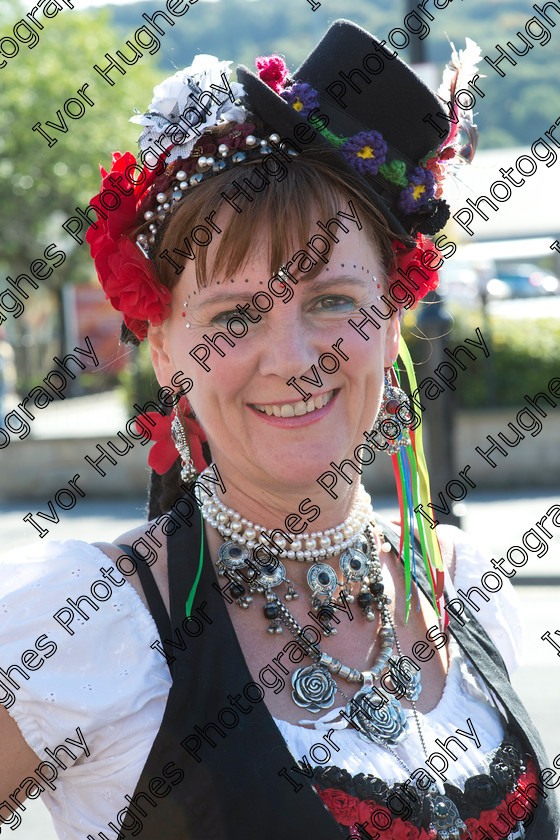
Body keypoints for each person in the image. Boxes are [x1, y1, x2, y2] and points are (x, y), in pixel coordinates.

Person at [1, 19, 558, 840]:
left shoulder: (467, 585)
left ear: (393, 315)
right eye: (234, 316)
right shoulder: (90, 626)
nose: (293, 358)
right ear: (162, 349)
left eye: (333, 300)